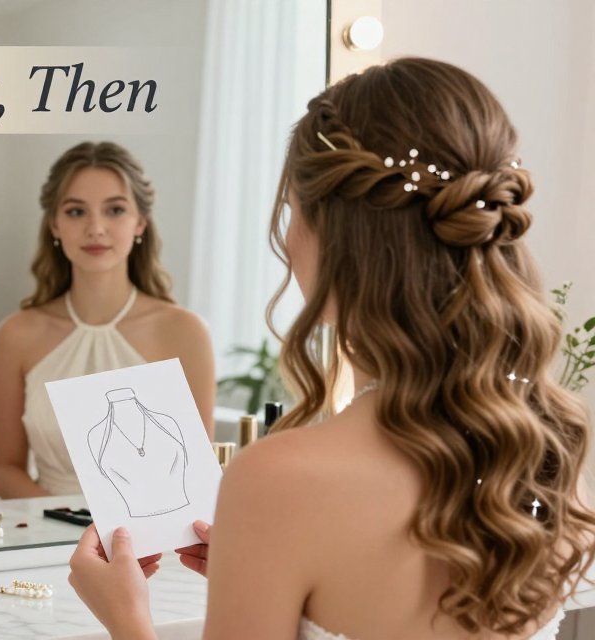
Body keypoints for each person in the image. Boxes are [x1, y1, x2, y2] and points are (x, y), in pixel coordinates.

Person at [67, 58, 595, 639]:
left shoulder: (279, 480)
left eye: (292, 212)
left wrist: (127, 618)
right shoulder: (546, 453)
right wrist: (257, 565)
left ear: (338, 238)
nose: (287, 238)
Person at [0, 141, 216, 498]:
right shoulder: (17, 334)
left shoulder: (185, 333)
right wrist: (71, 521)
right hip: (46, 524)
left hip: (155, 527)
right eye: (76, 212)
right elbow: (5, 470)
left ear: (140, 222)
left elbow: (197, 474)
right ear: (54, 225)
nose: (95, 228)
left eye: (114, 210)